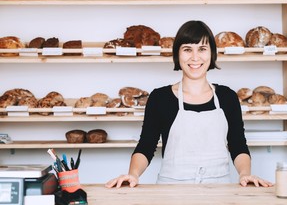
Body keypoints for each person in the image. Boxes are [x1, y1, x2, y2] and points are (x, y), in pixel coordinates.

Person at [106, 20, 273, 188]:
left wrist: (245, 174)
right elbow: (146, 146)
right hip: (170, 192)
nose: (195, 57)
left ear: (212, 53)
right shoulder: (160, 98)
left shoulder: (227, 97)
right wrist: (133, 175)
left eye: (202, 49)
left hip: (220, 192)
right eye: (187, 50)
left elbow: (238, 145)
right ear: (177, 55)